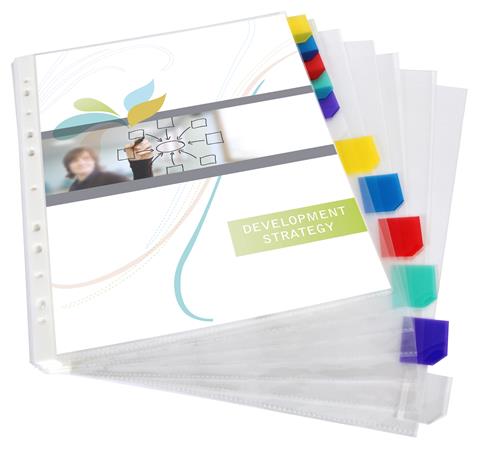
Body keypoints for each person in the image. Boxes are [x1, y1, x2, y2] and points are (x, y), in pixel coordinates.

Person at [63, 139, 154, 191]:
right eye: (74, 160)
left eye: (86, 158)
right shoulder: (73, 188)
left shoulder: (112, 178)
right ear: (68, 166)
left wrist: (141, 165)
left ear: (94, 162)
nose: (81, 163)